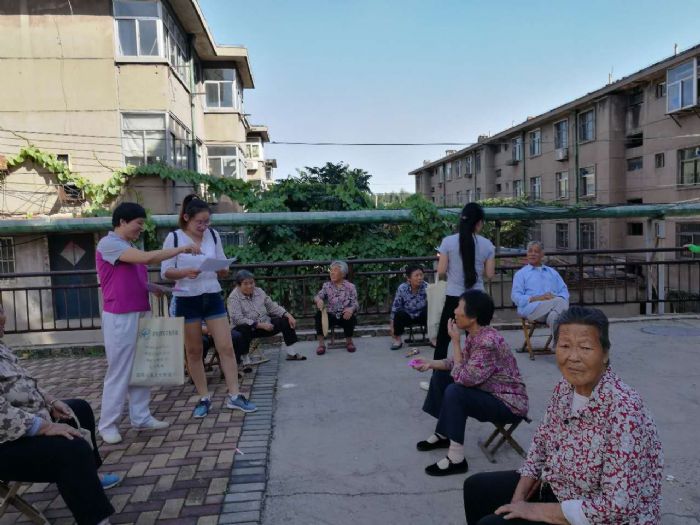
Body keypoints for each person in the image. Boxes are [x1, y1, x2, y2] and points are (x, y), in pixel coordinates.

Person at [463, 306, 663, 525]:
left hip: (602, 516)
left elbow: (616, 506)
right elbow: (540, 446)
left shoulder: (625, 411)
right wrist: (518, 500)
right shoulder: (564, 388)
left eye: (585, 347)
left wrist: (535, 510)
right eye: (565, 346)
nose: (573, 357)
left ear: (605, 353)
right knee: (476, 488)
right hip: (560, 486)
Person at [0, 303, 118, 525]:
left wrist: (51, 402)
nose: (3, 317)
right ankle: (95, 520)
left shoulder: (1, 347)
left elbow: (25, 383)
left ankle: (90, 477)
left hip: (24, 422)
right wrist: (46, 427)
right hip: (6, 442)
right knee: (71, 448)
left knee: (78, 409)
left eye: (1, 310)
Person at [96, 202, 201, 444]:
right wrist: (181, 248)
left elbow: (130, 278)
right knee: (119, 370)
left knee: (141, 368)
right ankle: (108, 425)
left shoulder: (128, 246)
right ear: (122, 222)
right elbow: (148, 258)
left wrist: (153, 287)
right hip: (120, 315)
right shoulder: (109, 244)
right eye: (138, 223)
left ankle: (141, 417)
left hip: (139, 310)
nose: (141, 228)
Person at [411, 290, 528, 476]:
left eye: (459, 307)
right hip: (489, 391)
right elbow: (457, 362)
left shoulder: (487, 342)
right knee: (441, 376)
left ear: (472, 317)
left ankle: (456, 459)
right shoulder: (476, 334)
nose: (455, 311)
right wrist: (430, 363)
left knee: (456, 391)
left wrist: (455, 342)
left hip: (508, 403)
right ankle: (444, 434)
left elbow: (464, 378)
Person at [161, 194, 257, 419]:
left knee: (226, 346)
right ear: (186, 218)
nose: (204, 226)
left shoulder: (213, 235)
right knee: (194, 351)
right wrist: (185, 272)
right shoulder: (174, 238)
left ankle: (235, 395)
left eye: (207, 221)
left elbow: (222, 264)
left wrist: (223, 269)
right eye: (200, 222)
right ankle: (204, 397)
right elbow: (166, 271)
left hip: (212, 295)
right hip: (187, 298)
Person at [434, 202, 496, 361]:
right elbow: (490, 274)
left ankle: (437, 373)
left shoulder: (448, 242)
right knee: (477, 339)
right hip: (477, 298)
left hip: (453, 297)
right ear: (479, 223)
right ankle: (476, 370)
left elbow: (441, 271)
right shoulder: (487, 245)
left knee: (443, 338)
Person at [228, 270, 305, 362]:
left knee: (285, 320)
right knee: (243, 328)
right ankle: (245, 359)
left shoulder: (259, 291)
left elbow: (271, 306)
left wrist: (288, 314)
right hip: (247, 328)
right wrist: (259, 325)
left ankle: (291, 353)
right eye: (245, 284)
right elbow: (237, 319)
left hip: (265, 324)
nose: (250, 286)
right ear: (238, 285)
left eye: (251, 283)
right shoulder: (233, 297)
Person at [511, 241, 569, 335]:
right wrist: (538, 298)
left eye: (536, 251)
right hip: (532, 310)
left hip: (553, 308)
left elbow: (564, 291)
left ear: (542, 254)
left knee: (554, 316)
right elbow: (515, 297)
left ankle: (557, 343)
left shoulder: (552, 272)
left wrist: (554, 297)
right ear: (527, 254)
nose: (532, 254)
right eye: (530, 251)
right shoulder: (521, 274)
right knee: (560, 302)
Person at [314, 260, 359, 355]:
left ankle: (349, 342)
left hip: (344, 314)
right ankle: (321, 345)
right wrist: (318, 300)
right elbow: (318, 296)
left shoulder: (350, 287)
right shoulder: (327, 286)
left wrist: (351, 309)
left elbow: (355, 303)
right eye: (331, 270)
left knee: (349, 315)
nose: (332, 273)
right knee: (318, 315)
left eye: (335, 270)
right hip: (331, 314)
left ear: (343, 274)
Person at [389, 264, 428, 350]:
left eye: (421, 275)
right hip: (408, 316)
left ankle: (433, 338)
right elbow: (395, 308)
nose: (420, 278)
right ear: (408, 278)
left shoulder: (427, 287)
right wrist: (392, 327)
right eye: (416, 275)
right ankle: (398, 340)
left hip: (422, 316)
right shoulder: (402, 288)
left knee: (431, 310)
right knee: (399, 313)